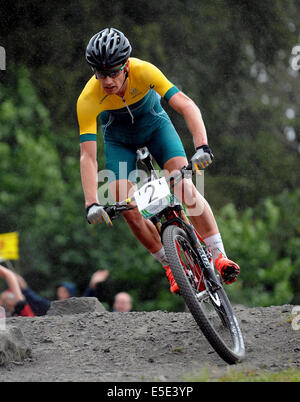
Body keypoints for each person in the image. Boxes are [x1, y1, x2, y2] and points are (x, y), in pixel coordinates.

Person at [77, 27, 240, 294]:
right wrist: (91, 202)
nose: (106, 81)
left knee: (185, 187)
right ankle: (170, 264)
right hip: (119, 142)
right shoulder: (88, 98)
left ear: (126, 66)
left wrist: (202, 146)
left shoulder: (144, 70)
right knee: (127, 208)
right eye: (100, 73)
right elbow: (87, 155)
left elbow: (186, 104)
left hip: (156, 129)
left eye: (113, 72)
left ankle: (218, 256)